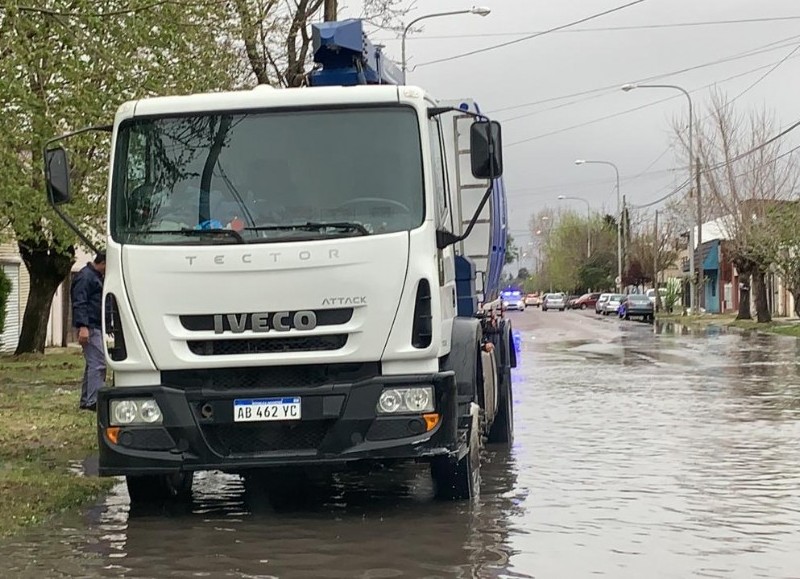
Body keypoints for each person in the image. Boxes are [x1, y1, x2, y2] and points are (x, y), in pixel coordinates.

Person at [71, 252, 107, 411]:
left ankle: (87, 399)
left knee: (92, 363)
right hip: (90, 326)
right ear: (103, 262)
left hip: (94, 325)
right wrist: (83, 326)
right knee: (98, 363)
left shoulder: (94, 276)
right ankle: (93, 400)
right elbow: (80, 302)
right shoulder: (87, 278)